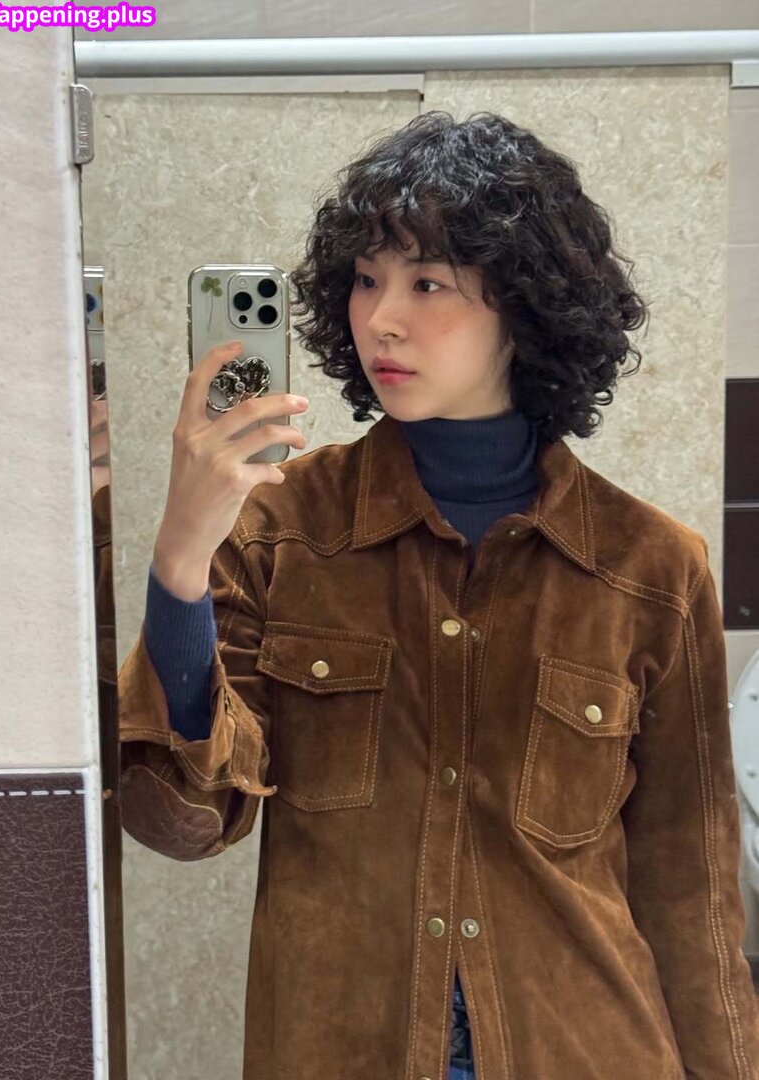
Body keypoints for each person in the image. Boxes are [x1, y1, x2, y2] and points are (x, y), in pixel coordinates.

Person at [116, 111, 759, 1079]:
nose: (381, 317)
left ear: (524, 308)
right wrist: (180, 557)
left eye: (426, 284)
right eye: (365, 279)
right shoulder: (282, 531)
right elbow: (181, 817)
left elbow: (692, 901)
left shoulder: (651, 572)